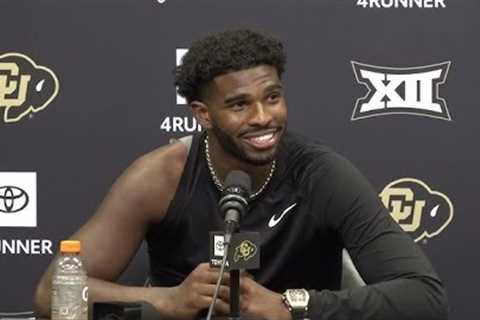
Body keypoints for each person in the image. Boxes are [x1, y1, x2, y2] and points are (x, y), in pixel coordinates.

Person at [34, 29, 448, 320]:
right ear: (202, 114)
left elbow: (423, 296)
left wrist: (292, 306)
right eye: (239, 105)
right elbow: (51, 294)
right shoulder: (160, 178)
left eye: (272, 97)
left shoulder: (321, 174)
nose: (263, 118)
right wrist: (170, 301)